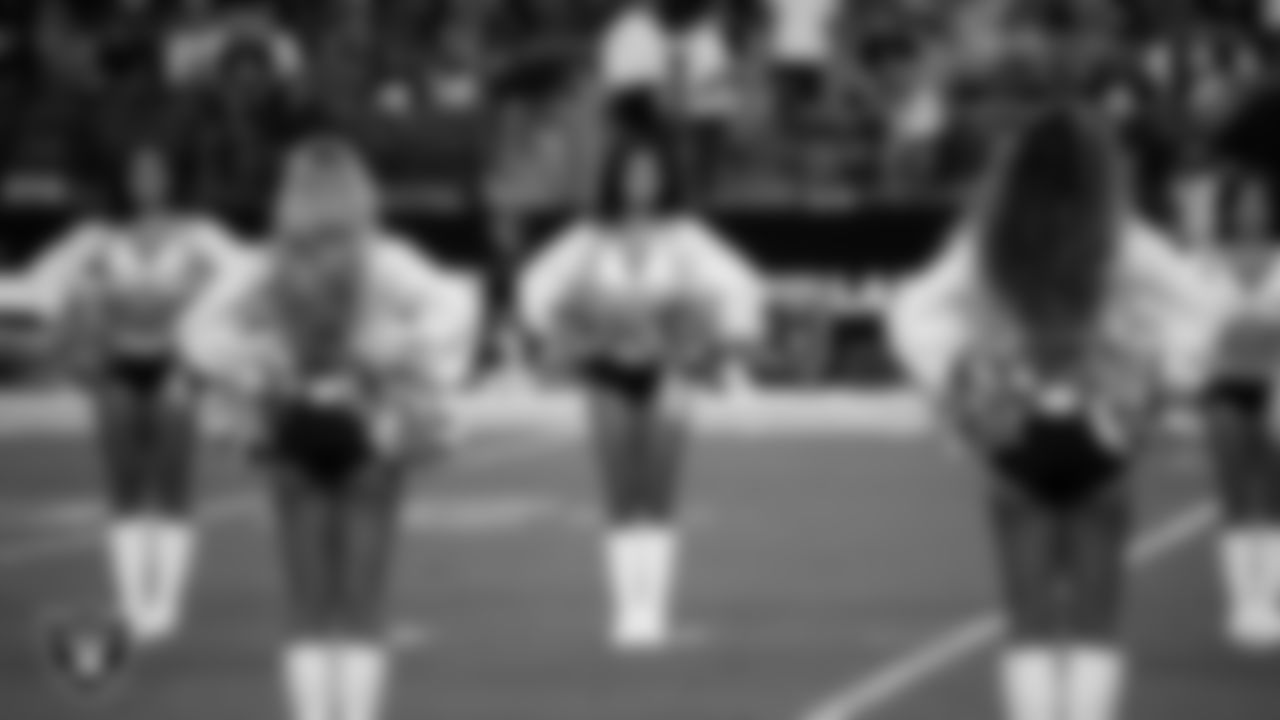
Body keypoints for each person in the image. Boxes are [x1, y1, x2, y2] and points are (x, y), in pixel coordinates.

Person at [887, 105, 1232, 720]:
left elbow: (911, 312)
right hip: (1103, 430)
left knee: (1028, 615)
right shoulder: (1121, 237)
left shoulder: (989, 239)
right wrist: (1160, 379)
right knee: (1096, 617)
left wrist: (959, 382)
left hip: (1015, 429)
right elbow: (1202, 308)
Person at [180, 136, 478, 720]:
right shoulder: (381, 258)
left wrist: (254, 359)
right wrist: (400, 348)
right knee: (360, 608)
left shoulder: (271, 262)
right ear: (360, 193)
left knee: (308, 606)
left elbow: (196, 331)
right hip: (370, 430)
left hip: (296, 429)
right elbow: (459, 306)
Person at [519, 130, 765, 652]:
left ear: (665, 177)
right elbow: (535, 285)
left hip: (669, 372)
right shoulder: (590, 237)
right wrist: (570, 334)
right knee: (619, 494)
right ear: (615, 177)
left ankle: (653, 610)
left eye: (651, 171)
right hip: (607, 372)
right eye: (632, 171)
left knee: (658, 493)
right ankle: (625, 610)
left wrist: (717, 340)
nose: (641, 182)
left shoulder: (686, 237)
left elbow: (742, 285)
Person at [0, 142, 248, 648]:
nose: (147, 180)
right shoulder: (94, 239)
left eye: (157, 170)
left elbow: (253, 282)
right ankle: (134, 601)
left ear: (174, 178)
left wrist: (208, 325)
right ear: (122, 179)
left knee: (173, 484)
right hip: (115, 368)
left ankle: (166, 603)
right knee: (125, 486)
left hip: (178, 367)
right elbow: (34, 288)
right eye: (137, 171)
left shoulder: (202, 237)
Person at [1195, 174, 1280, 649]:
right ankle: (1241, 600)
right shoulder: (1208, 263)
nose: (1253, 211)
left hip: (1274, 388)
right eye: (1244, 203)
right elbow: (1194, 327)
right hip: (1224, 387)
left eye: (1261, 202)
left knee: (1270, 493)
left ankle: (1268, 598)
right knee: (1233, 491)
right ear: (1230, 210)